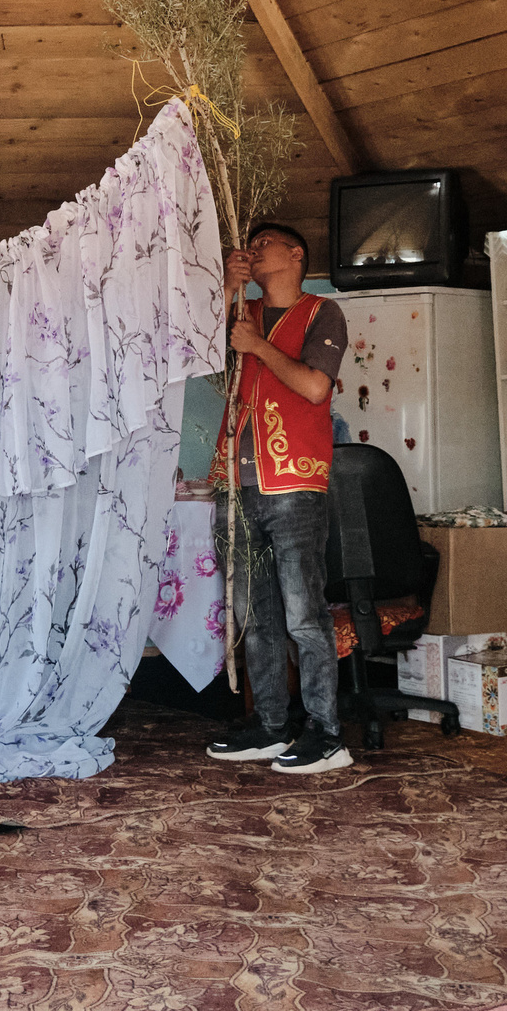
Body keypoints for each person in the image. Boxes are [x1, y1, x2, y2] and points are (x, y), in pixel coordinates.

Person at [205, 222, 353, 775]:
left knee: (304, 617)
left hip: (294, 483)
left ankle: (326, 733)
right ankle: (269, 725)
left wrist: (258, 346)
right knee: (252, 615)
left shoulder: (322, 313)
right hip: (238, 482)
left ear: (295, 254)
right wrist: (226, 291)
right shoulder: (243, 313)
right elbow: (197, 357)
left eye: (263, 243)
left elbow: (316, 387)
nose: (254, 250)